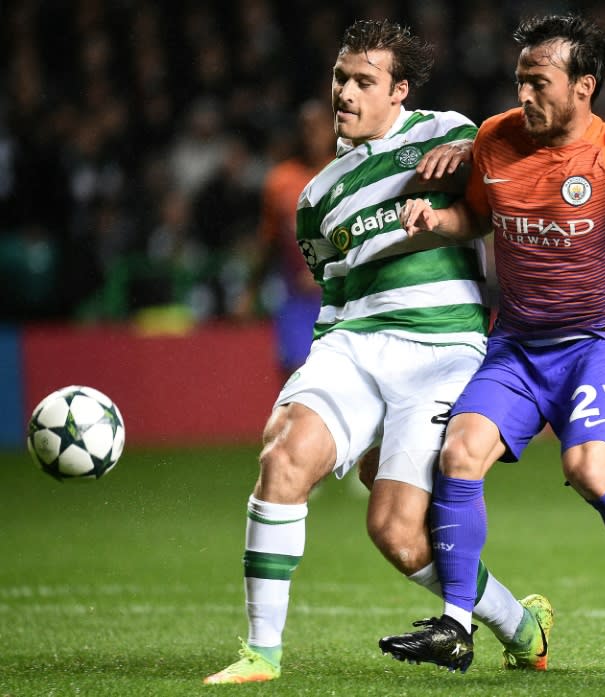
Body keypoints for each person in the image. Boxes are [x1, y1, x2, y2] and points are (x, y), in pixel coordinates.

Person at [203, 19, 552, 685]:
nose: (346, 92)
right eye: (341, 78)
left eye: (364, 81)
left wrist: (475, 156)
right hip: (353, 345)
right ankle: (261, 653)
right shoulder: (313, 197)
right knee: (282, 457)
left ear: (399, 92)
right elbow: (336, 291)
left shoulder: (444, 132)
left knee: (394, 531)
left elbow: (519, 159)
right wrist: (333, 389)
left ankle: (520, 624)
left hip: (442, 351)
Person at [379, 13, 605, 675]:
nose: (525, 96)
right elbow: (477, 214)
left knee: (590, 471)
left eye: (539, 83)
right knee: (459, 453)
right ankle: (455, 625)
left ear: (583, 87)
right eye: (519, 81)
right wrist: (434, 218)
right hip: (516, 346)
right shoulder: (496, 137)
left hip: (591, 344)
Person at [235, 100, 336, 380]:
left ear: (332, 129)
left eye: (318, 127)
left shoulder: (348, 172)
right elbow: (269, 243)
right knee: (295, 380)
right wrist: (249, 291)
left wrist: (324, 271)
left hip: (342, 295)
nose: (311, 134)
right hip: (296, 299)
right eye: (305, 127)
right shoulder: (279, 181)